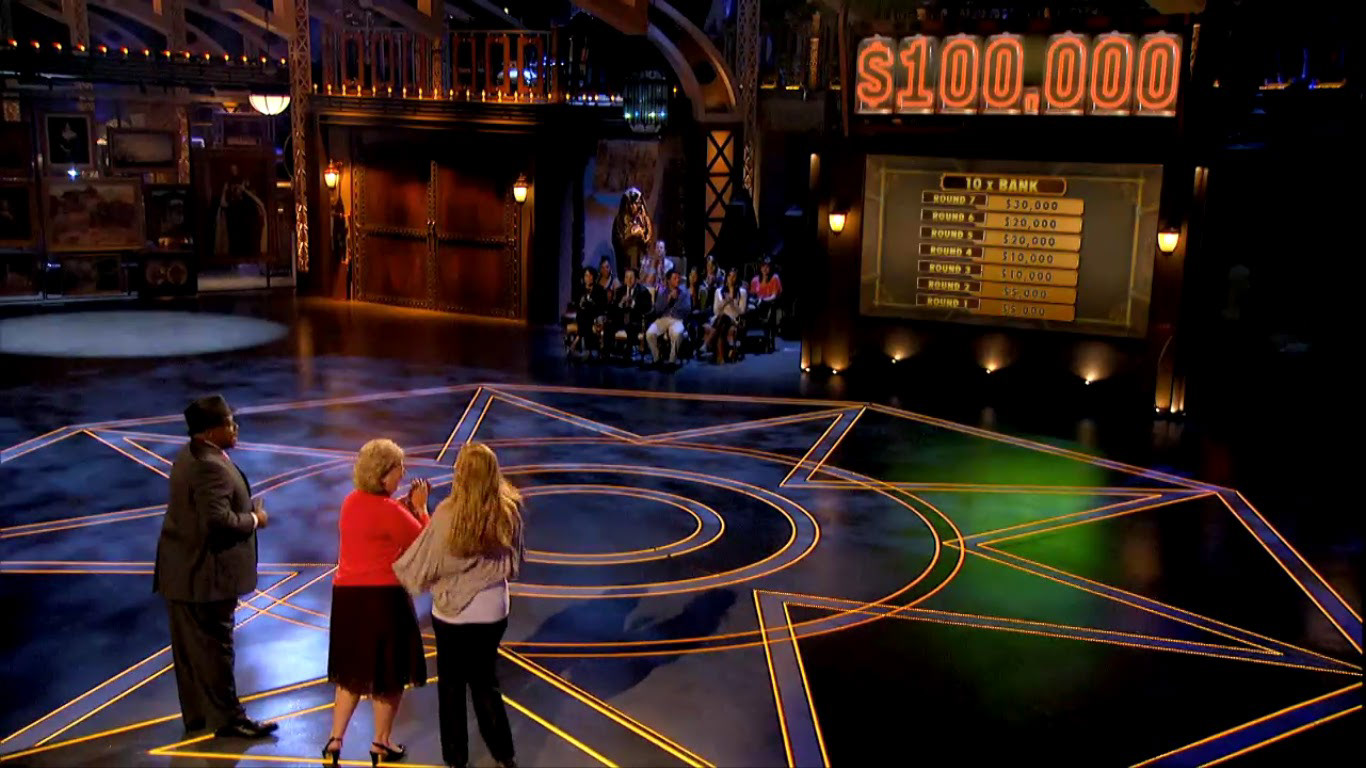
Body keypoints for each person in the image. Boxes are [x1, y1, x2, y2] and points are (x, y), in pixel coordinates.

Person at [153, 395, 278, 739]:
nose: (235, 427)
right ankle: (228, 720)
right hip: (205, 577)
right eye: (228, 423)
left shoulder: (189, 455)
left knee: (192, 653)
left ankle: (199, 717)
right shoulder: (209, 466)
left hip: (182, 573)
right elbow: (218, 522)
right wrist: (256, 518)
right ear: (209, 432)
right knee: (216, 650)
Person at [393, 443, 524, 768]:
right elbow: (515, 558)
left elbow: (429, 561)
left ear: (461, 473)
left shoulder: (447, 514)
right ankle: (504, 757)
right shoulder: (508, 511)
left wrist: (421, 512)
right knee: (485, 684)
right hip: (493, 610)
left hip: (453, 616)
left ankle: (456, 761)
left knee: (451, 688)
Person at [323, 439, 431, 768]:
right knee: (388, 674)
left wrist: (401, 508)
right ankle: (380, 743)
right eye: (400, 468)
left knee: (352, 674)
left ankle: (335, 741)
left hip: (347, 600)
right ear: (385, 473)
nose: (403, 474)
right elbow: (425, 545)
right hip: (383, 600)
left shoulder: (350, 502)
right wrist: (421, 510)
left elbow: (377, 523)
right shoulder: (390, 511)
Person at [646, 269, 691, 365]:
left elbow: (687, 309)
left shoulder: (684, 293)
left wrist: (676, 301)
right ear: (669, 280)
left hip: (677, 319)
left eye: (678, 278)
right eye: (675, 278)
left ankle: (672, 361)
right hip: (663, 319)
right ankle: (657, 359)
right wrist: (668, 300)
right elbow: (657, 309)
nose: (677, 280)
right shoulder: (662, 292)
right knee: (649, 334)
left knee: (678, 334)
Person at [705, 268, 747, 363]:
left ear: (737, 279)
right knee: (722, 323)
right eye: (729, 276)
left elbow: (741, 312)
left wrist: (731, 302)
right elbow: (716, 311)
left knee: (723, 317)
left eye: (734, 276)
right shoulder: (718, 291)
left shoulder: (742, 292)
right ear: (726, 278)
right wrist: (725, 302)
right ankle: (721, 358)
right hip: (719, 320)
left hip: (734, 320)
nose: (731, 278)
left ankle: (708, 343)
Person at [608, 266, 652, 355]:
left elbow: (647, 308)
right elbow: (613, 309)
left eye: (631, 277)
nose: (629, 280)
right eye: (626, 277)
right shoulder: (620, 291)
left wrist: (633, 303)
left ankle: (628, 355)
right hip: (621, 320)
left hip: (636, 321)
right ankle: (608, 353)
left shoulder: (643, 291)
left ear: (636, 279)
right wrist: (621, 303)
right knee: (608, 325)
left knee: (631, 327)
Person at [567, 266, 608, 355]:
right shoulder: (580, 289)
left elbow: (603, 306)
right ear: (583, 277)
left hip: (595, 315)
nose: (588, 278)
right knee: (583, 316)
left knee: (586, 318)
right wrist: (581, 303)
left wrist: (592, 303)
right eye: (586, 275)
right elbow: (576, 304)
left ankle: (577, 339)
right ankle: (588, 350)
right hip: (582, 315)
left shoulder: (600, 289)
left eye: (590, 275)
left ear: (594, 277)